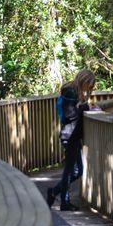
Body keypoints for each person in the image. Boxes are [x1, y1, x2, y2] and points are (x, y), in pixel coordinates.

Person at [47, 69, 96, 211]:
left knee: (77, 171)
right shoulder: (70, 91)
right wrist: (86, 107)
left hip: (73, 135)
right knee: (71, 170)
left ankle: (54, 192)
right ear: (84, 80)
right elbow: (70, 115)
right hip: (69, 135)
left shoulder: (75, 91)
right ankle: (64, 202)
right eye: (89, 85)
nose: (89, 89)